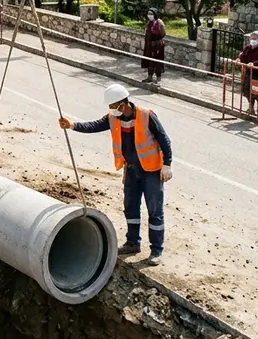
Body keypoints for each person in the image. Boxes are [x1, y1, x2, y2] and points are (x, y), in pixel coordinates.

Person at [59, 83, 173, 261]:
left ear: (123, 104)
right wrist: (72, 125)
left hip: (151, 171)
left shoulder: (146, 115)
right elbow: (94, 125)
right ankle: (133, 243)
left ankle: (156, 250)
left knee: (154, 211)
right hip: (131, 170)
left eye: (113, 107)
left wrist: (167, 164)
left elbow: (164, 139)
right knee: (131, 207)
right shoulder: (113, 118)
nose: (111, 110)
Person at [237, 30, 258, 117]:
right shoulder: (248, 47)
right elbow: (243, 56)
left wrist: (254, 64)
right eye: (251, 38)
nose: (252, 40)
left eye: (255, 38)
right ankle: (251, 107)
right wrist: (239, 59)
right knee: (247, 90)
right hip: (249, 72)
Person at [142, 7, 166, 83]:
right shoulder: (149, 23)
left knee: (157, 62)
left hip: (157, 46)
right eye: (148, 14)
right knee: (149, 61)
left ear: (155, 14)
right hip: (149, 46)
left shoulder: (159, 22)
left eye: (151, 14)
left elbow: (163, 34)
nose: (149, 15)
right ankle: (149, 77)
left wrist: (155, 40)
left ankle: (158, 78)